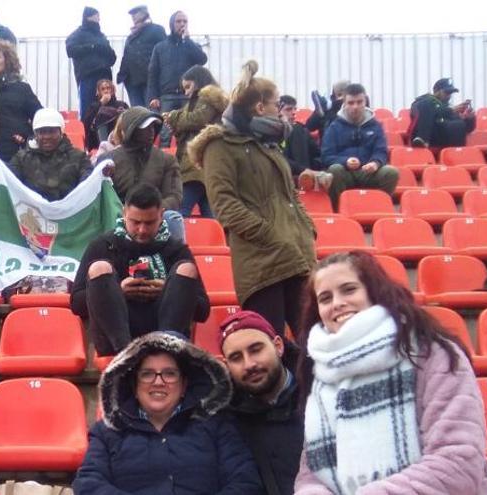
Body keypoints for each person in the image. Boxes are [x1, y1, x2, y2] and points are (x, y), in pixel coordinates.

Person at [294, 250, 487, 494]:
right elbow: (311, 475)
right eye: (325, 298)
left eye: (349, 289)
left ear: (375, 292)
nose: (337, 303)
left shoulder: (431, 354)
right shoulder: (322, 376)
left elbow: (458, 460)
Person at [189, 60, 316, 336]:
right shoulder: (220, 146)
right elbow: (225, 205)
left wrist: (306, 228)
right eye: (276, 103)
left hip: (297, 256)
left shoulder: (266, 144)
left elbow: (288, 195)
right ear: (260, 107)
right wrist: (270, 235)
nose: (280, 110)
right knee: (271, 348)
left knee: (314, 347)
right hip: (263, 263)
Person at [73, 331, 264, 494]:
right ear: (134, 385)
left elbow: (245, 481)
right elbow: (88, 483)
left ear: (184, 385)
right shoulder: (107, 431)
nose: (158, 382)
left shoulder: (216, 424)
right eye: (147, 374)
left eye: (169, 373)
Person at [71, 183, 208, 356]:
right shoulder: (102, 245)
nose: (142, 230)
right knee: (100, 267)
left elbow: (203, 310)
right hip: (115, 341)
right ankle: (127, 356)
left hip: (165, 332)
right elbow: (76, 303)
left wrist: (169, 291)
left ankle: (165, 351)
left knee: (186, 269)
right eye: (135, 222)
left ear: (161, 215)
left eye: (149, 223)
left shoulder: (177, 249)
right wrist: (117, 292)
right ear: (124, 213)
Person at [220, 310, 304, 495]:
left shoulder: (319, 396)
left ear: (278, 346)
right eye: (236, 358)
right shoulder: (227, 419)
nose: (249, 364)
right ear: (227, 366)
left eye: (256, 349)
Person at [102, 106, 184, 241]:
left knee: (173, 217)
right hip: (118, 215)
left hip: (155, 215)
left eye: (153, 127)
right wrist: (128, 213)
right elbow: (102, 198)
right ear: (131, 130)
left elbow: (174, 196)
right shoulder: (109, 160)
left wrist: (151, 212)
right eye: (145, 127)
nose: (151, 131)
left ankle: (177, 260)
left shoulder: (166, 160)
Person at [163, 65, 227, 218]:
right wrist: (176, 126)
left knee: (179, 212)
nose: (186, 92)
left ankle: (176, 241)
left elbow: (196, 120)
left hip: (194, 165)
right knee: (209, 214)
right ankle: (211, 242)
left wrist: (173, 117)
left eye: (188, 86)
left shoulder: (206, 98)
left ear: (198, 81)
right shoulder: (201, 101)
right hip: (205, 166)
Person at [321, 83, 398, 210]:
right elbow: (326, 156)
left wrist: (375, 163)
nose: (355, 107)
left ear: (365, 102)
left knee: (391, 172)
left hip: (368, 172)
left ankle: (378, 209)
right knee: (334, 170)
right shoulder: (334, 127)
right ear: (344, 104)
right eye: (351, 103)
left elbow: (381, 151)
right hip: (345, 172)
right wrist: (345, 161)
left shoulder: (375, 126)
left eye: (359, 102)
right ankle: (339, 211)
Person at [146, 11, 207, 148]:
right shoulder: (160, 47)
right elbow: (153, 73)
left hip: (188, 97)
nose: (182, 24)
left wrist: (188, 40)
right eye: (179, 21)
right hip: (167, 97)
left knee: (190, 132)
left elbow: (202, 60)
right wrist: (153, 96)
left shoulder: (192, 45)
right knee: (165, 133)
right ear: (172, 24)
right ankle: (165, 163)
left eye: (185, 21)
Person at [9, 108, 93, 201]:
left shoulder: (78, 157)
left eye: (52, 131)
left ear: (61, 132)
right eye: (42, 132)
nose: (47, 136)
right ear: (35, 134)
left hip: (68, 212)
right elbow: (8, 178)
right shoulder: (21, 159)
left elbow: (89, 181)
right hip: (33, 213)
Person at [65, 7, 116, 118]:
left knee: (109, 107)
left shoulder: (101, 36)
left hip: (105, 76)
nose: (99, 18)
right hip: (87, 76)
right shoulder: (77, 34)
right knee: (88, 108)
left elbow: (112, 57)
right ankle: (87, 132)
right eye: (96, 15)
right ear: (89, 16)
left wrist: (107, 54)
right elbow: (70, 50)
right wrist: (92, 47)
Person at [117, 5, 166, 107]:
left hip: (149, 79)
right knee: (138, 114)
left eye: (136, 13)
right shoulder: (130, 36)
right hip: (132, 81)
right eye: (132, 14)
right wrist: (122, 76)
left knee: (151, 113)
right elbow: (126, 56)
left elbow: (164, 51)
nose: (133, 16)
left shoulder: (157, 30)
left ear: (144, 13)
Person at [278, 95, 328, 192]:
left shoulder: (300, 130)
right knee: (296, 129)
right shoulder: (270, 132)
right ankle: (305, 174)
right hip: (283, 169)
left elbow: (317, 152)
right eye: (288, 109)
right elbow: (278, 157)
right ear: (278, 112)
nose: (293, 113)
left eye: (294, 109)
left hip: (302, 168)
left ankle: (307, 175)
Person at [409, 77, 476, 148]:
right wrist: (451, 111)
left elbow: (467, 129)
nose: (449, 96)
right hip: (429, 138)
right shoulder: (423, 102)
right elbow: (431, 111)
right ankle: (423, 139)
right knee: (427, 103)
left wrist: (469, 119)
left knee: (458, 124)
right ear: (436, 91)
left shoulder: (448, 108)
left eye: (450, 93)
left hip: (445, 141)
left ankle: (457, 154)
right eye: (446, 92)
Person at [81, 79, 129, 151]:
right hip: (97, 141)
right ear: (98, 92)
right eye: (103, 89)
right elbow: (86, 124)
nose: (106, 91)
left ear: (113, 90)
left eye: (108, 88)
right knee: (102, 115)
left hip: (118, 136)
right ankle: (105, 148)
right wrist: (100, 103)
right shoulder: (94, 107)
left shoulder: (122, 105)